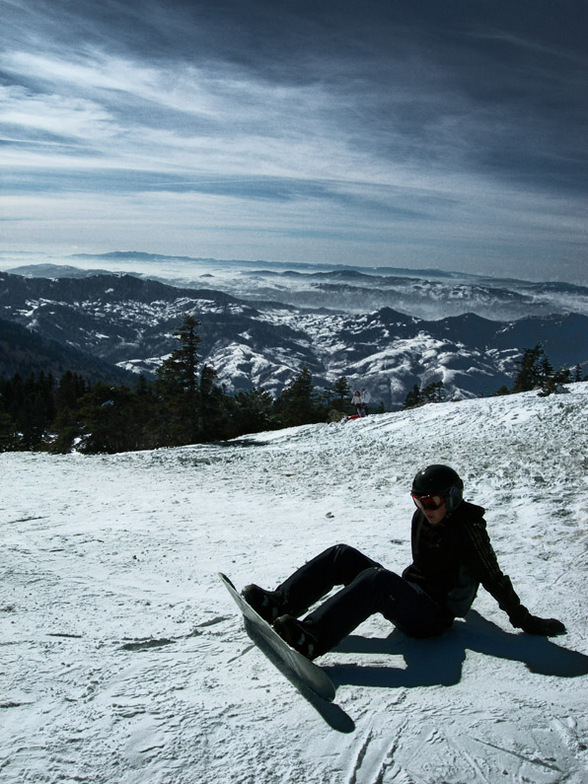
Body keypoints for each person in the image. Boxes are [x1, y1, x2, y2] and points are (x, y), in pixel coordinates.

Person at [242, 464, 566, 660]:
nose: (426, 508)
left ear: (451, 498)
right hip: (413, 595)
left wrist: (525, 620)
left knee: (376, 581)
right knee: (342, 555)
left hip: (433, 617)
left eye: (433, 501)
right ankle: (278, 604)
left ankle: (311, 638)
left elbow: (494, 578)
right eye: (419, 500)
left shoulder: (468, 531)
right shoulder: (423, 518)